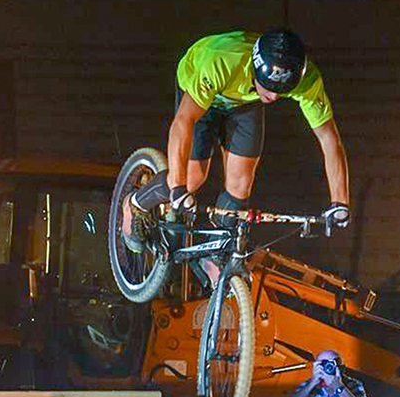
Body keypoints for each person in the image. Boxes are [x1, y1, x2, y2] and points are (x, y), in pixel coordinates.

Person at [122, 29, 350, 251]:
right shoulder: (221, 61)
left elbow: (328, 138)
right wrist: (179, 188)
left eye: (282, 91)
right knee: (193, 178)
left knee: (241, 184)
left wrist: (339, 202)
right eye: (269, 88)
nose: (273, 97)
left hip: (245, 101)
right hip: (202, 92)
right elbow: (183, 122)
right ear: (255, 67)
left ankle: (215, 255)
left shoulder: (307, 79)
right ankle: (135, 203)